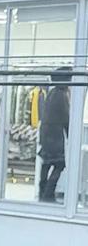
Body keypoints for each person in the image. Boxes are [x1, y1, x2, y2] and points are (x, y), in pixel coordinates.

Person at [38, 67, 71, 203]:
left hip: (46, 132)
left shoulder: (52, 93)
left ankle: (42, 191)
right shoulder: (61, 95)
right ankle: (48, 193)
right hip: (55, 134)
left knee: (46, 163)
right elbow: (66, 117)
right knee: (59, 164)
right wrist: (71, 134)